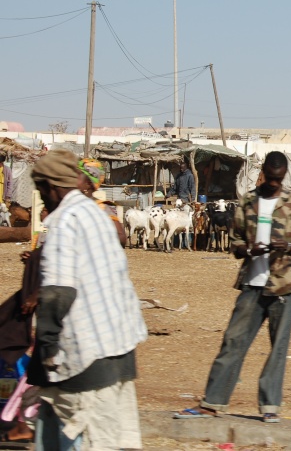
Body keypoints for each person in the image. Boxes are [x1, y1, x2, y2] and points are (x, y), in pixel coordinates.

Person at [27, 149, 148, 450]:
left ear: (53, 187)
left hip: (86, 355)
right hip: (119, 345)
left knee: (85, 437)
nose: (41, 197)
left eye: (41, 189)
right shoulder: (95, 212)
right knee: (90, 431)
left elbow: (59, 291)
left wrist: (47, 345)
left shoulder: (63, 221)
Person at [176, 151, 291, 423]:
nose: (273, 183)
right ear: (263, 174)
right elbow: (235, 245)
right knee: (233, 342)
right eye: (270, 178)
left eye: (278, 179)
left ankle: (270, 406)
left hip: (283, 285)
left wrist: (289, 246)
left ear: (284, 176)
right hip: (251, 283)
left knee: (278, 348)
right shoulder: (247, 202)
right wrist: (249, 249)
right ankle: (213, 402)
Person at [77, 158, 127, 247]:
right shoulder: (72, 204)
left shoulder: (101, 208)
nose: (73, 180)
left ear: (88, 184)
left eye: (77, 177)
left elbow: (122, 238)